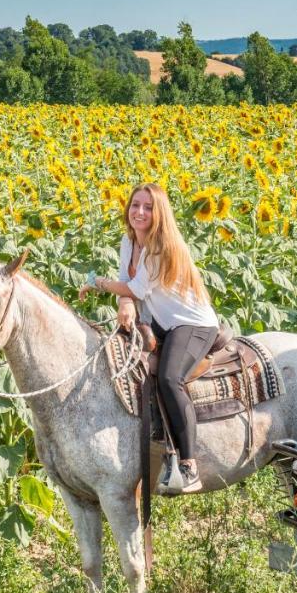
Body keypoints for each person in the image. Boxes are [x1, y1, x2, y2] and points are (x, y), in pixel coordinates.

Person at [79, 182, 219, 493]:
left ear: (159, 214)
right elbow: (127, 287)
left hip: (190, 324)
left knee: (170, 378)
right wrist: (124, 303)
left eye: (148, 207)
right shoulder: (128, 242)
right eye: (135, 205)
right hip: (160, 321)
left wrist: (95, 282)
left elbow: (133, 289)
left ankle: (189, 466)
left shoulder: (160, 248)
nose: (139, 212)